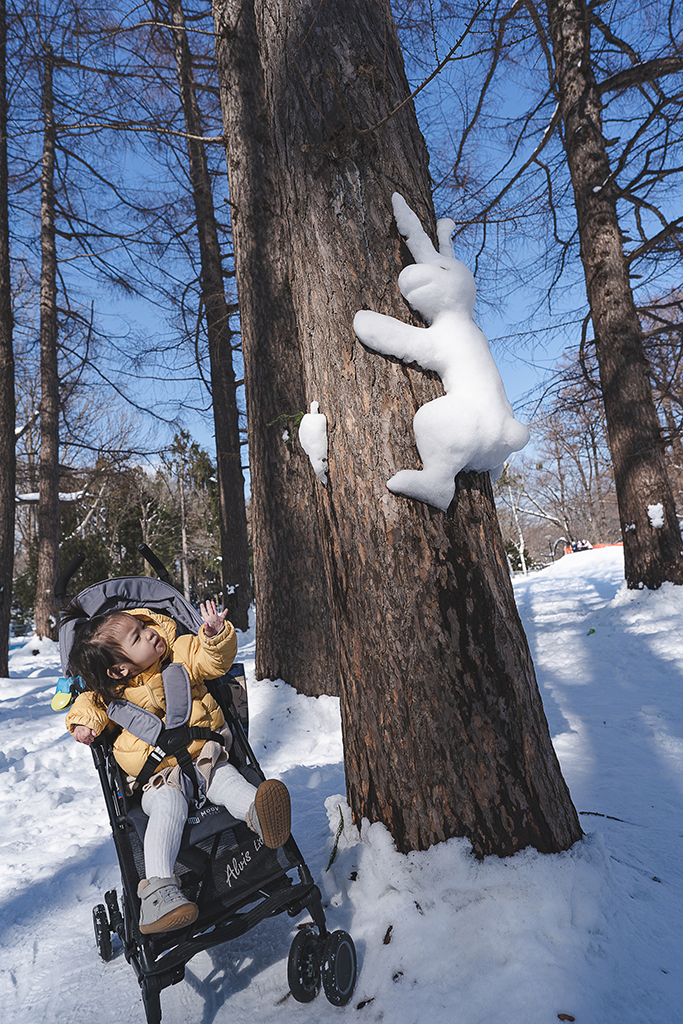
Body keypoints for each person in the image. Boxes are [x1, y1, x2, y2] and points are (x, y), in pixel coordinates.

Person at [63, 598, 291, 935]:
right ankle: (159, 893)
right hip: (158, 779)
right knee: (168, 808)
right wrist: (83, 725)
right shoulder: (108, 696)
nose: (150, 633)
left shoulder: (181, 654)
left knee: (227, 779)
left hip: (205, 758)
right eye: (137, 637)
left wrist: (214, 637)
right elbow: (88, 707)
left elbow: (212, 661)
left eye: (145, 626)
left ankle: (260, 815)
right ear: (118, 670)